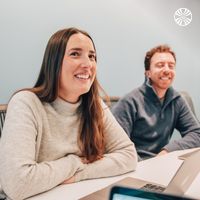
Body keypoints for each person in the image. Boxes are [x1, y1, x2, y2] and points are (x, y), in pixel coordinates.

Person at [0, 27, 137, 200]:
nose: (87, 64)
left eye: (92, 56)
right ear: (54, 62)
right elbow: (17, 185)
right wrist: (75, 162)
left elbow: (128, 156)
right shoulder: (25, 102)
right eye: (75, 54)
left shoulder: (96, 105)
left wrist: (80, 174)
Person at [112, 44, 200, 160]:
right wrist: (143, 166)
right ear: (147, 72)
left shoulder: (177, 100)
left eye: (171, 66)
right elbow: (117, 146)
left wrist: (167, 151)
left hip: (164, 162)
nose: (167, 70)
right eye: (160, 65)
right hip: (136, 166)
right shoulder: (129, 102)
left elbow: (196, 133)